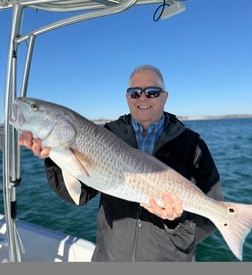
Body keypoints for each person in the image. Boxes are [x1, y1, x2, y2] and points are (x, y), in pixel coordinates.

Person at [19, 64, 223, 261]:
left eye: (152, 92)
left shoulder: (192, 144)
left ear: (165, 96)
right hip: (110, 258)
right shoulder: (106, 134)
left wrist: (176, 220)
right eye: (135, 92)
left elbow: (211, 217)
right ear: (127, 97)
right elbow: (79, 196)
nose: (142, 97)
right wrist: (55, 157)